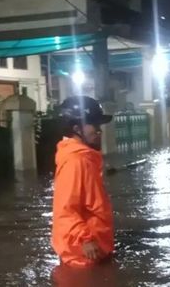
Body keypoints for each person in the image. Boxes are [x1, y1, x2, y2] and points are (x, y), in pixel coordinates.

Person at [51, 96, 114, 268]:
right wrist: (84, 239)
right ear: (77, 128)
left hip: (92, 249)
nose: (99, 131)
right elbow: (66, 208)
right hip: (83, 254)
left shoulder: (85, 158)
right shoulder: (76, 161)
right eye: (94, 125)